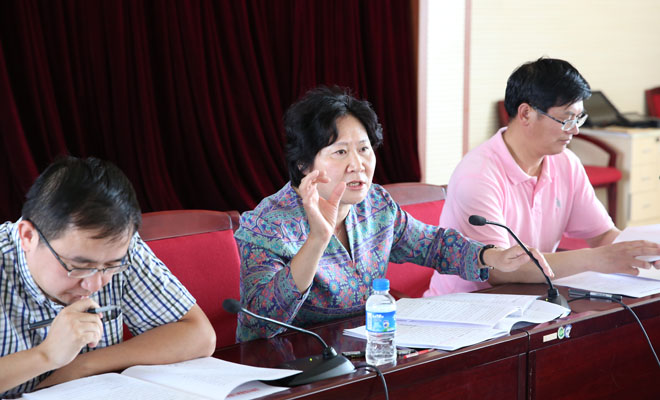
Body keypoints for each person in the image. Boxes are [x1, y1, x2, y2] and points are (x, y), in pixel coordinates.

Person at [234, 86, 553, 342]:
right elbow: (261, 323)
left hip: (364, 353)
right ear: (304, 164)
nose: (357, 164)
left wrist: (491, 256)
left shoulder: (374, 205)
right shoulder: (268, 225)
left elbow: (432, 245)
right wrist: (317, 240)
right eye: (340, 152)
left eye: (364, 149)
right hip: (291, 367)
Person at [425, 57, 660, 297]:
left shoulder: (566, 163)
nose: (575, 130)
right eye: (566, 119)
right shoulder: (478, 175)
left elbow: (602, 236)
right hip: (467, 306)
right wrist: (593, 259)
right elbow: (498, 271)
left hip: (533, 298)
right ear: (526, 113)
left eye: (578, 119)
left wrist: (647, 252)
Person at [0, 157, 216, 398]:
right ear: (28, 237)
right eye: (79, 266)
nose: (94, 285)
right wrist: (47, 355)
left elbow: (199, 335)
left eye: (111, 267)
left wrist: (82, 365)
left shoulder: (116, 247)